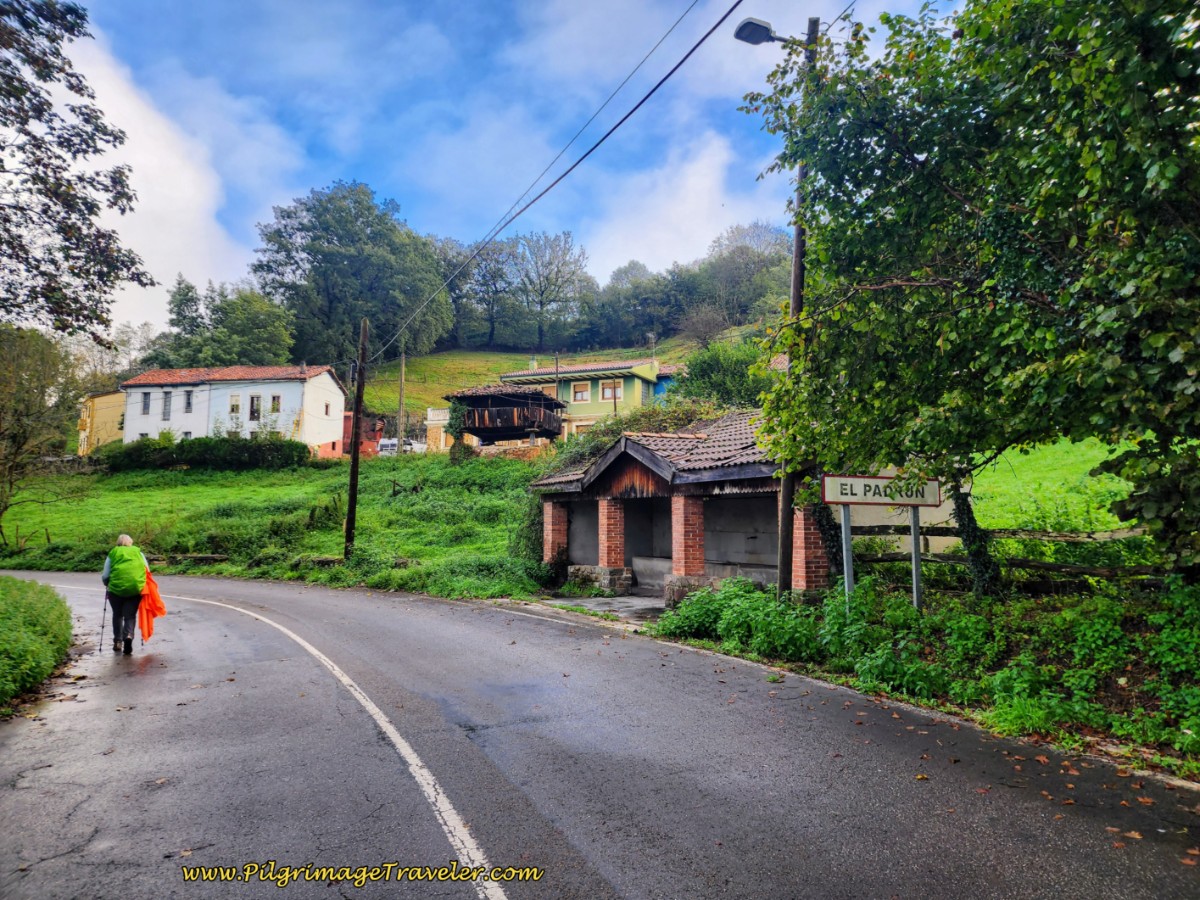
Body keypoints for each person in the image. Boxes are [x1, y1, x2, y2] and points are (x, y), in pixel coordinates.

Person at [102, 534, 148, 655]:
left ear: (118, 543)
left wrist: (106, 583)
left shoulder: (113, 553)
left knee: (117, 614)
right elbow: (147, 571)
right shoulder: (138, 552)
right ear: (130, 542)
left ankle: (117, 641)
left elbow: (106, 575)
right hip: (135, 589)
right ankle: (128, 636)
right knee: (130, 615)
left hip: (115, 590)